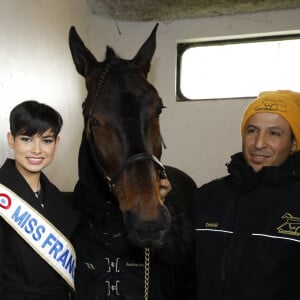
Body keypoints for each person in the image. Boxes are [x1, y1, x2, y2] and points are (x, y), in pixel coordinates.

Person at [192, 90, 300, 300]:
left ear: (294, 144)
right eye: (252, 131)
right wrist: (157, 209)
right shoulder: (207, 197)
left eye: (274, 133)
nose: (259, 143)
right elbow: (173, 258)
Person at [0, 100, 80, 300]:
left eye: (46, 140)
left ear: (57, 143)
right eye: (26, 139)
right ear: (11, 140)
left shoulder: (60, 201)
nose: (37, 150)